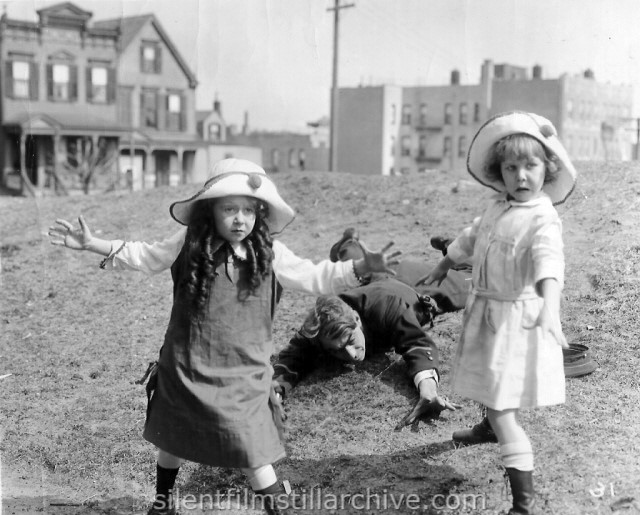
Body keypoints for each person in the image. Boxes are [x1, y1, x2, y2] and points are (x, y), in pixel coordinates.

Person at [48, 158, 399, 515]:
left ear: (259, 214)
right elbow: (147, 255)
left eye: (248, 210)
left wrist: (359, 268)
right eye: (229, 208)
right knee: (174, 436)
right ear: (210, 211)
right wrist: (93, 244)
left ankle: (280, 510)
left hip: (242, 373)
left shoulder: (271, 253)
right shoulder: (189, 242)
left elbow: (314, 276)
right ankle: (163, 503)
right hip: (187, 365)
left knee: (251, 449)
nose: (239, 219)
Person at [417, 112, 575, 515]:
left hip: (516, 321)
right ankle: (489, 426)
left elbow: (548, 265)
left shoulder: (542, 219)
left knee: (505, 402)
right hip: (488, 313)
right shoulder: (496, 206)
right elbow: (472, 235)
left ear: (548, 169)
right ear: (499, 172)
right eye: (511, 167)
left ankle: (523, 501)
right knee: (491, 376)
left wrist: (551, 308)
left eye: (531, 166)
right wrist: (446, 262)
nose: (521, 176)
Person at [273, 276, 459, 425]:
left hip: (421, 283)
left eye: (351, 340)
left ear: (356, 318)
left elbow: (415, 343)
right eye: (337, 351)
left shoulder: (387, 308)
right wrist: (274, 392)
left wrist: (428, 390)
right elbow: (293, 356)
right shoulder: (318, 330)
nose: (352, 355)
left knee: (470, 277)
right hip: (379, 281)